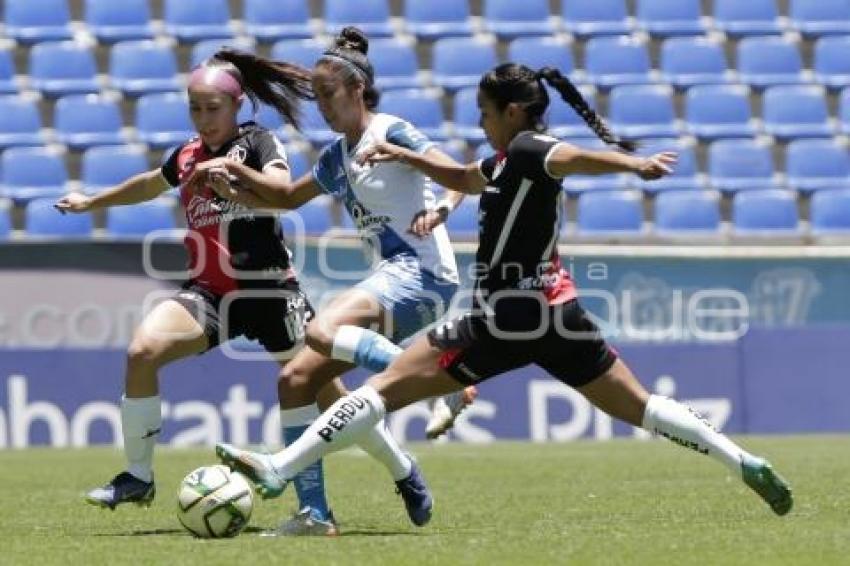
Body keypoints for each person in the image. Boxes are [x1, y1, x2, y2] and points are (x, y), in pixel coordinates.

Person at [213, 63, 794, 519]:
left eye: (486, 113)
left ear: (514, 111)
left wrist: (630, 164)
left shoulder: (528, 148)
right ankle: (741, 460)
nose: (482, 124)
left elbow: (568, 157)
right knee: (641, 407)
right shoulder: (503, 160)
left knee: (384, 388)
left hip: (501, 318)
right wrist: (408, 157)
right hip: (559, 313)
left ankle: (280, 467)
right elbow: (464, 179)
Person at [185, 27, 476, 535]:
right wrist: (231, 178)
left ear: (357, 90)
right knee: (295, 379)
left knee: (322, 328)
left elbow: (461, 178)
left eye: (328, 95)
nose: (320, 106)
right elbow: (285, 199)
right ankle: (317, 515)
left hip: (427, 276)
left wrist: (439, 203)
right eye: (315, 96)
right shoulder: (336, 156)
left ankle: (441, 383)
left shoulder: (393, 130)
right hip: (391, 278)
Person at [54, 49, 316, 511]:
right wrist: (91, 202)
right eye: (195, 108)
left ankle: (400, 467)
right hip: (211, 293)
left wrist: (235, 179)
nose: (203, 117)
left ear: (237, 107)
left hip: (269, 291)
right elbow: (150, 183)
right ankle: (137, 476)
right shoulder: (189, 155)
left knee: (327, 391)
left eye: (213, 108)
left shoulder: (258, 143)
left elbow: (280, 187)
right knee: (142, 353)